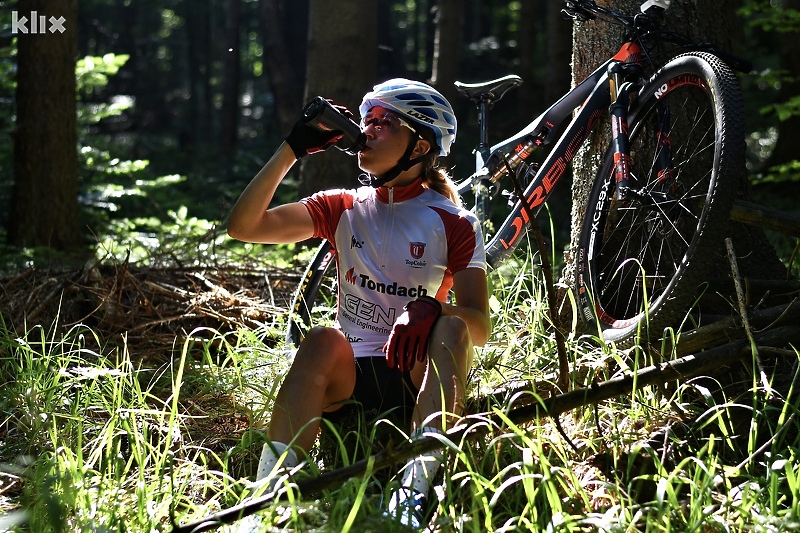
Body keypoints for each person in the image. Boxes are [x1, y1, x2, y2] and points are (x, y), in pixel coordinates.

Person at [227, 78, 491, 528]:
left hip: (415, 376)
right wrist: (293, 147)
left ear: (421, 145)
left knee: (450, 330)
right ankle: (266, 499)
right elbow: (244, 226)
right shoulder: (343, 206)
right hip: (348, 378)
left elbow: (478, 327)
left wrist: (433, 308)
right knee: (321, 338)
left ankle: (413, 493)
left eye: (383, 123)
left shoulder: (454, 221)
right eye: (366, 120)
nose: (366, 131)